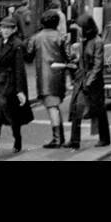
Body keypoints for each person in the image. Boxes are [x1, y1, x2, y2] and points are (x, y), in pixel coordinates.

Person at [0, 15, 29, 159]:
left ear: (14, 29)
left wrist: (20, 91)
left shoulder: (17, 45)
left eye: (8, 28)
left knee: (12, 117)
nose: (5, 31)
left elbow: (19, 69)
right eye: (3, 28)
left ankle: (17, 138)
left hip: (11, 85)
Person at [66, 14, 109, 149]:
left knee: (99, 109)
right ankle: (74, 140)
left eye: (80, 28)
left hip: (93, 81)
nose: (78, 30)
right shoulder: (83, 40)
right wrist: (74, 63)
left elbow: (98, 65)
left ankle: (105, 137)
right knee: (76, 108)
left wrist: (89, 82)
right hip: (82, 77)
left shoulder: (97, 42)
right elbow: (82, 61)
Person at [27, 10, 68, 148]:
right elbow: (68, 56)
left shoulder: (36, 38)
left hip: (44, 76)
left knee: (51, 107)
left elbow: (28, 56)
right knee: (54, 106)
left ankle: (57, 138)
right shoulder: (61, 37)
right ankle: (60, 136)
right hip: (58, 75)